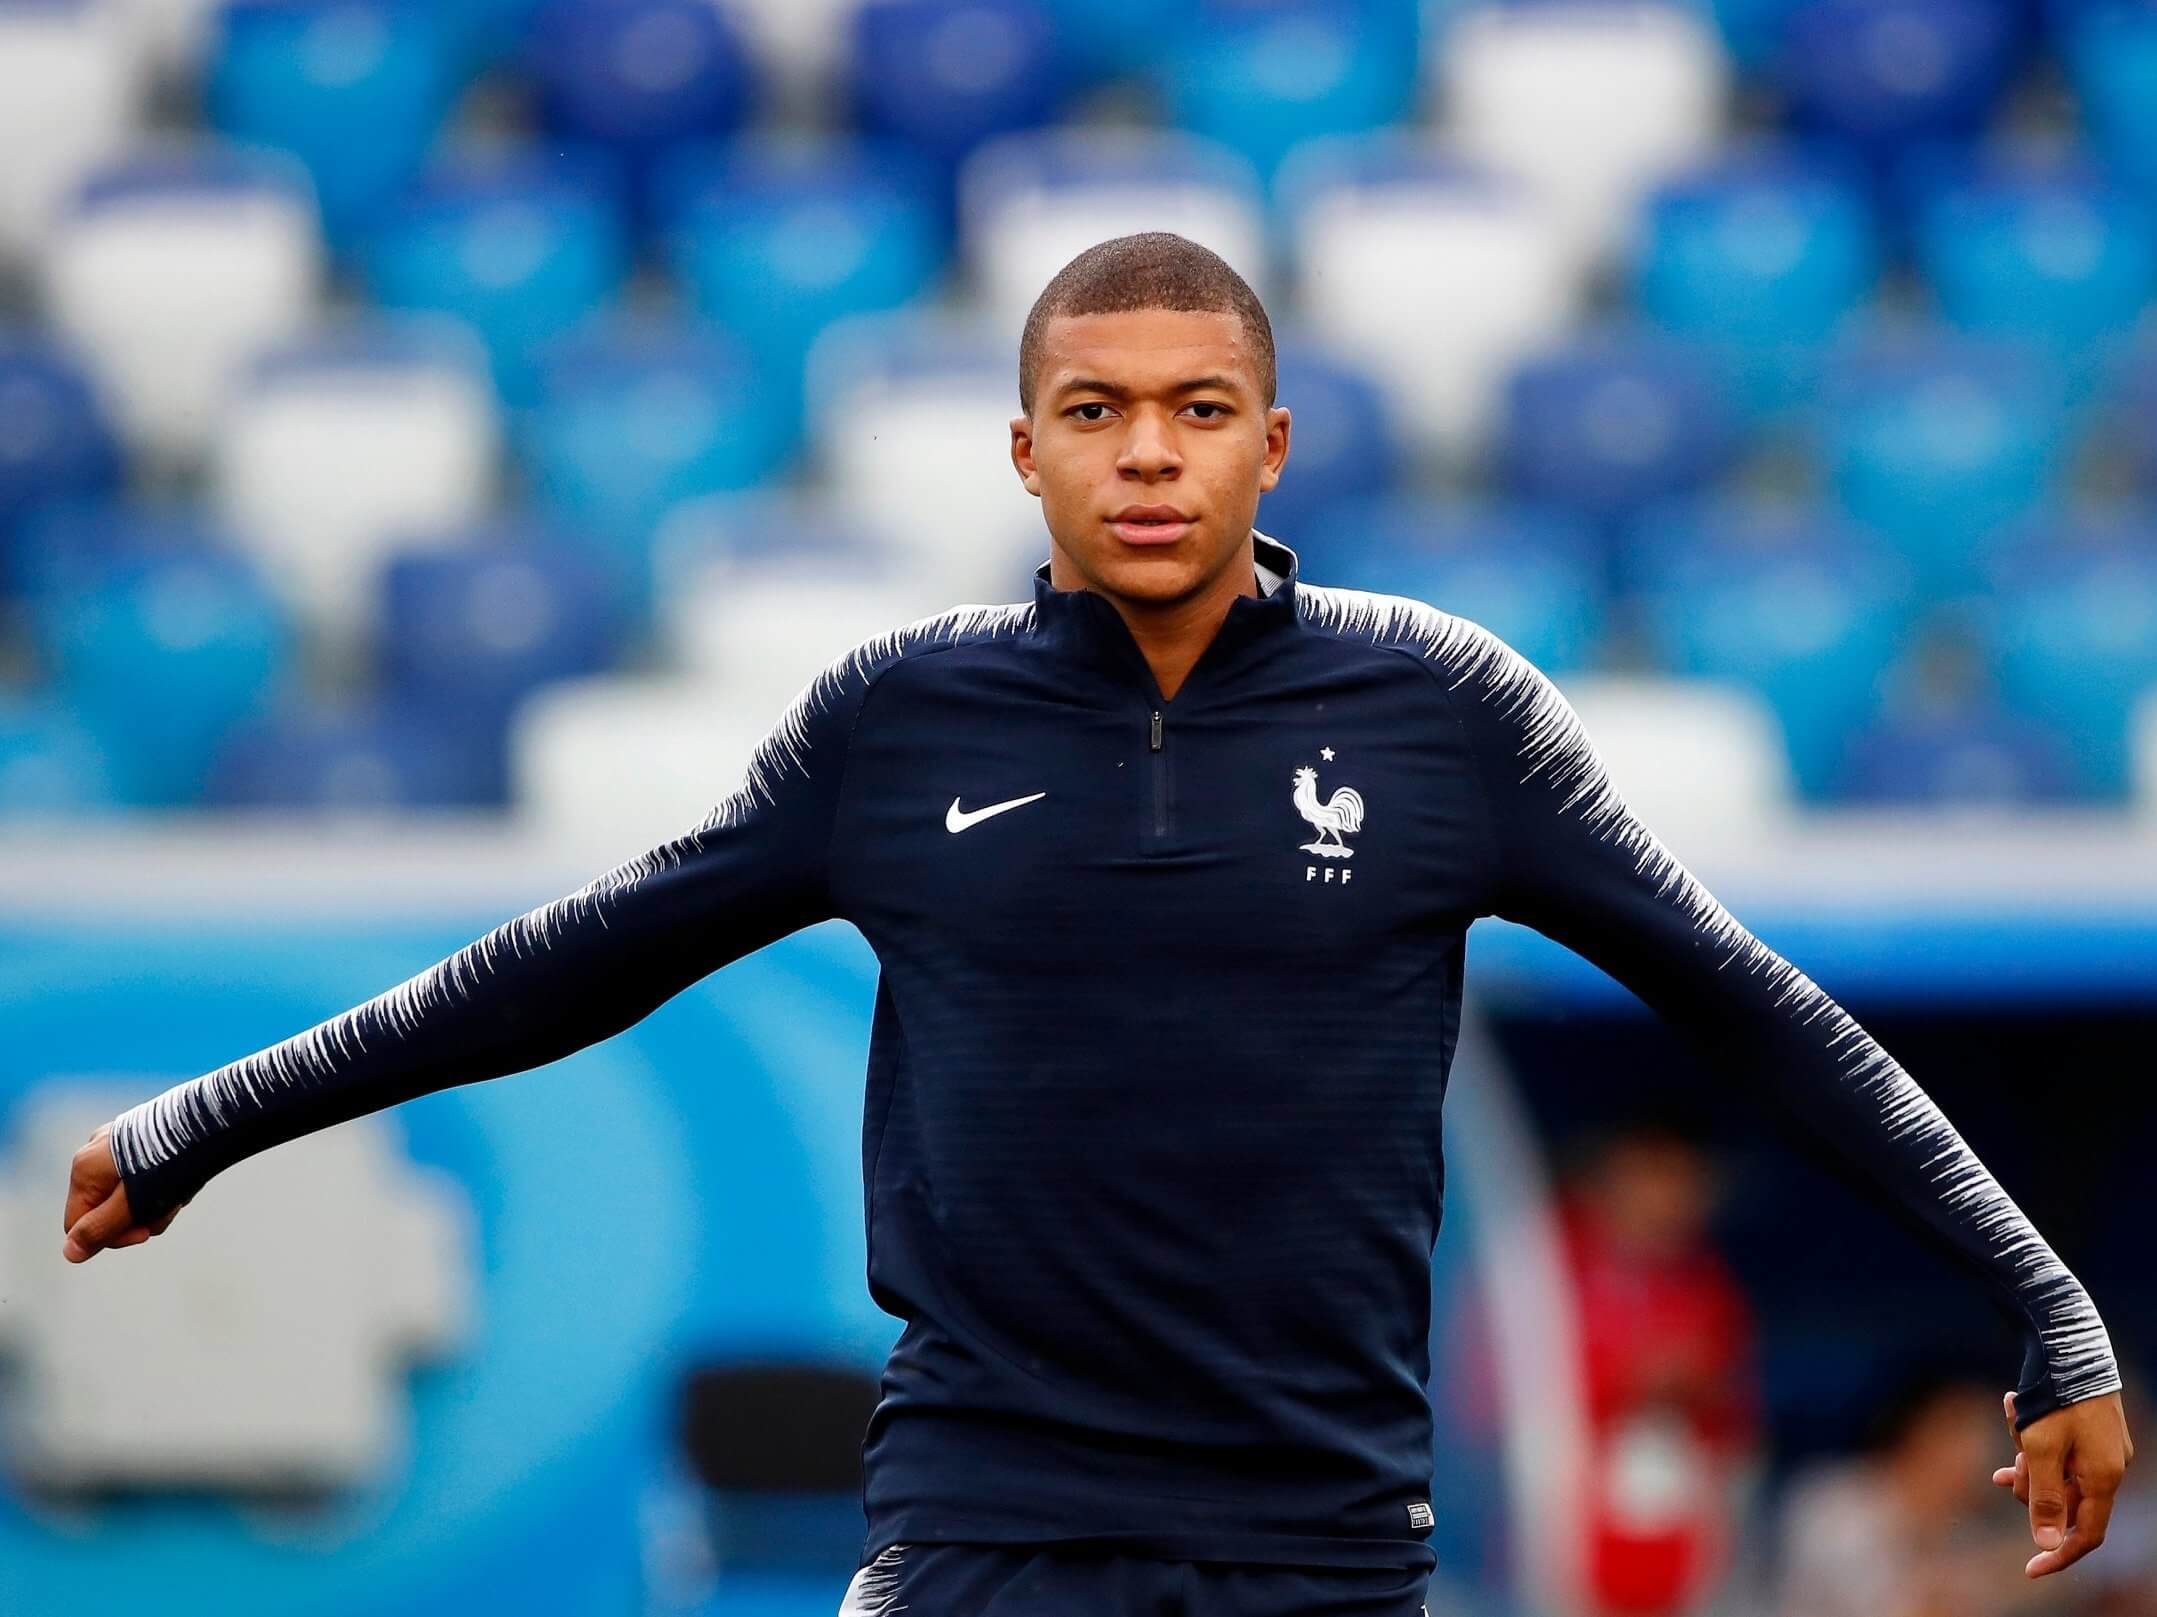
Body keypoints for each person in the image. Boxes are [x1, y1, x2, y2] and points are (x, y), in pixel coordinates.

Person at [61, 233, 2131, 1616]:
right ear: (1026, 446)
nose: (1148, 451)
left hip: (1319, 1544)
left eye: (1198, 407)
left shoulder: (1444, 710)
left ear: (1270, 443)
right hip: (984, 1527)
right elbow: (575, 958)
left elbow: (1750, 1008)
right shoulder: (894, 720)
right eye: (1097, 408)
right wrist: (208, 1121)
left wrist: (2043, 1303)